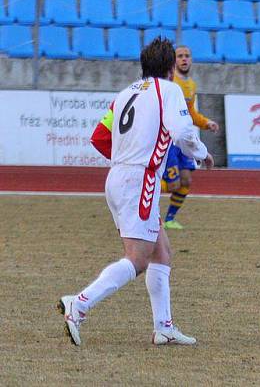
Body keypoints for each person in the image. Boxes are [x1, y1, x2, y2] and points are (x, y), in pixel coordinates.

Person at [59, 38, 213, 347]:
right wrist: (202, 152)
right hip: (139, 180)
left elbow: (100, 136)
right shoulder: (170, 90)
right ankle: (80, 303)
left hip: (119, 177)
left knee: (162, 251)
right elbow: (182, 131)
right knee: (138, 258)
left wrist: (125, 161)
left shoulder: (125, 93)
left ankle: (164, 327)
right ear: (171, 68)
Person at [162, 45, 219, 230]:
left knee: (186, 181)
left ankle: (169, 219)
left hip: (184, 140)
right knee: (173, 184)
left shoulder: (191, 85)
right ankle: (141, 190)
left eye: (187, 56)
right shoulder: (171, 83)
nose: (184, 59)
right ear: (174, 61)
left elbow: (190, 113)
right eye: (180, 56)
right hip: (171, 140)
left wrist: (205, 123)